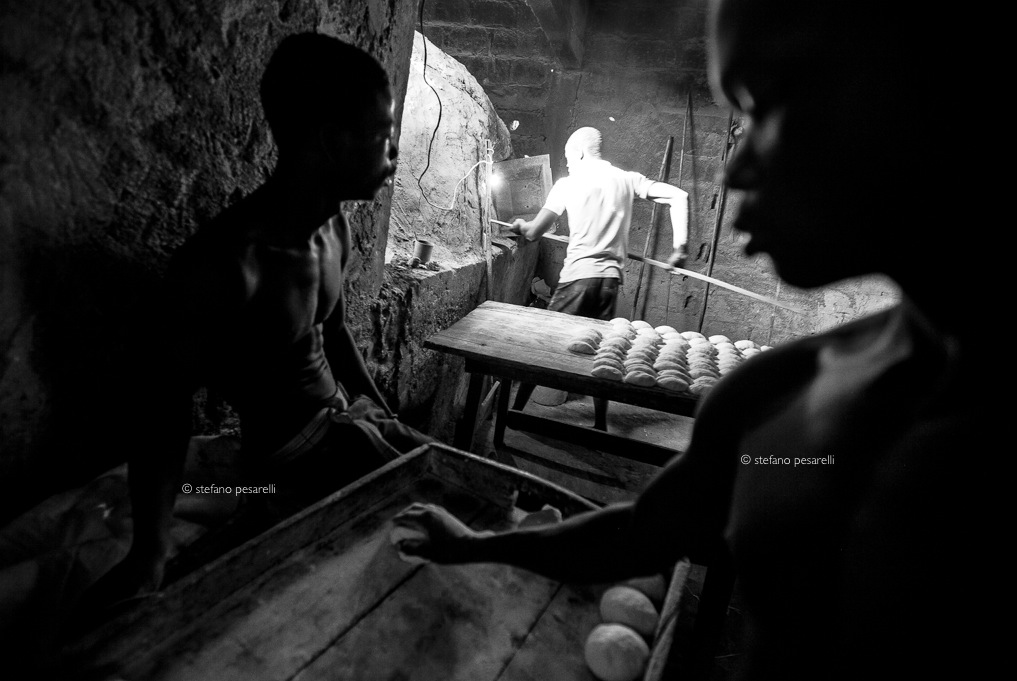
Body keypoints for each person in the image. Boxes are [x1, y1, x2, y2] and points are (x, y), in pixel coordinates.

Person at [392, 1, 986, 679]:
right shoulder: (774, 397)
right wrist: (471, 546)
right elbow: (645, 534)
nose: (734, 174)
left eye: (765, 106)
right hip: (609, 277)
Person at [87, 33, 433, 607]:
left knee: (441, 486)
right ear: (331, 141)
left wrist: (385, 418)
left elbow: (336, 334)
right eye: (384, 135)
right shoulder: (228, 265)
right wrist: (149, 549)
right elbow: (163, 407)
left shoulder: (334, 230)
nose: (394, 151)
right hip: (275, 470)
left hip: (345, 426)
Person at [508, 126, 690, 430]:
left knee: (543, 348)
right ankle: (601, 424)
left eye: (568, 157)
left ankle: (515, 413)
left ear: (578, 152)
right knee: (600, 354)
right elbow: (678, 196)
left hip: (578, 278)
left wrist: (520, 226)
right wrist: (680, 247)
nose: (567, 163)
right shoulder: (627, 179)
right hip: (609, 282)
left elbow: (534, 233)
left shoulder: (568, 184)